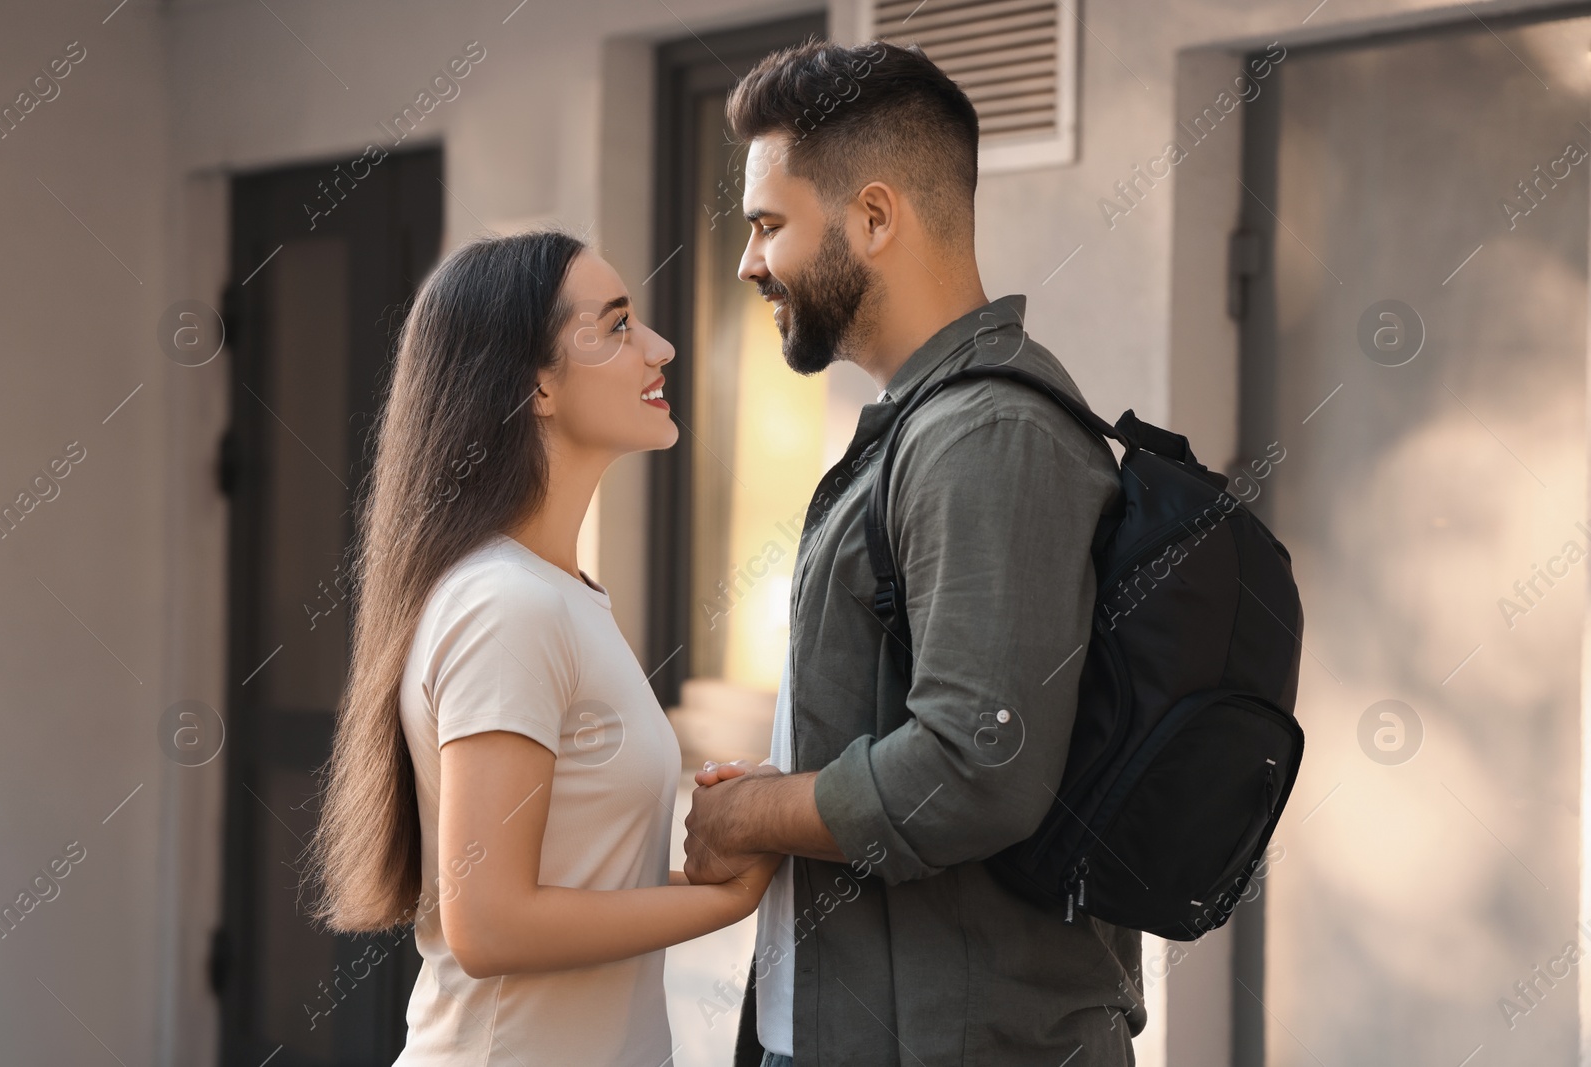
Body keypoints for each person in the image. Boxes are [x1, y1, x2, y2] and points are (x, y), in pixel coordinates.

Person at [683, 40, 1147, 1066]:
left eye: (767, 224)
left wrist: (754, 812)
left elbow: (974, 766)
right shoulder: (927, 425)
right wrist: (797, 780)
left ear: (875, 217)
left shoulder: (985, 437)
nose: (747, 261)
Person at [304, 230, 781, 1066]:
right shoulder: (507, 604)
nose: (660, 348)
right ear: (536, 385)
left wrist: (711, 876)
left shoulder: (557, 594)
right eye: (619, 325)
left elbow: (570, 894)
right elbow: (489, 922)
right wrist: (725, 903)